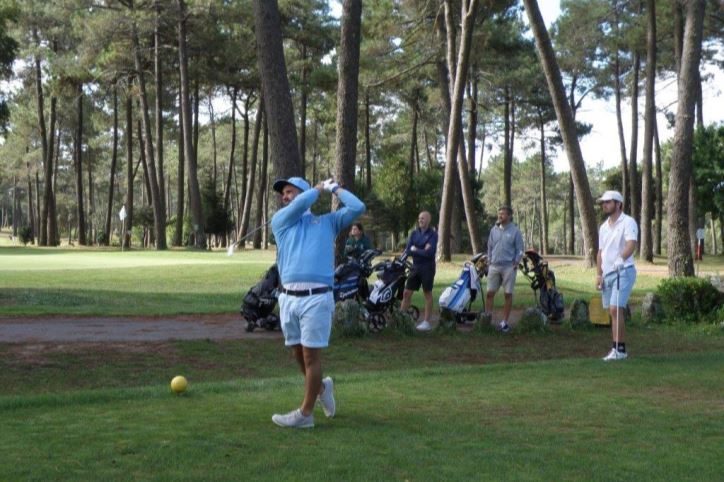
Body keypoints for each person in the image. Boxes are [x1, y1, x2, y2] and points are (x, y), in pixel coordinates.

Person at [270, 176, 365, 428]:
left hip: (317, 298)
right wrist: (315, 190)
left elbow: (358, 208)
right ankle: (323, 388)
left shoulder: (328, 222)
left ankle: (305, 414)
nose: (285, 197)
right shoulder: (280, 222)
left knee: (311, 357)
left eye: (290, 192)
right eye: (283, 194)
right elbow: (298, 206)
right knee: (298, 355)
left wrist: (334, 189)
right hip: (288, 299)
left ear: (302, 193)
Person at [596, 190, 638, 361]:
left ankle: (620, 349)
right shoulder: (604, 226)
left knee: (615, 308)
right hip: (607, 273)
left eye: (608, 202)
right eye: (603, 202)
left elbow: (631, 243)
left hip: (624, 270)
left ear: (618, 203)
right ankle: (616, 348)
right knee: (612, 311)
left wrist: (621, 258)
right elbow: (600, 252)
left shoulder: (628, 222)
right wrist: (598, 274)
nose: (604, 205)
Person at [485, 206, 524, 333]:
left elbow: (520, 249)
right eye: (499, 213)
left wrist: (516, 262)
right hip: (494, 266)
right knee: (490, 293)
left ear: (509, 216)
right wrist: (489, 260)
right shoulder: (493, 230)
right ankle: (487, 320)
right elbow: (489, 246)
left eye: (502, 214)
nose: (500, 216)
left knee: (508, 294)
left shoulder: (515, 231)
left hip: (508, 267)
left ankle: (504, 322)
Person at [400, 211, 438, 331]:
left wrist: (415, 249)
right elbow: (408, 250)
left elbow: (429, 253)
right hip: (415, 267)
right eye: (419, 218)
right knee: (406, 293)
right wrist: (420, 249)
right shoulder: (414, 233)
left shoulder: (433, 235)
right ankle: (401, 319)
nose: (420, 220)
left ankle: (426, 322)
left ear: (428, 220)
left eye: (423, 218)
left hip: (428, 267)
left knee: (427, 293)